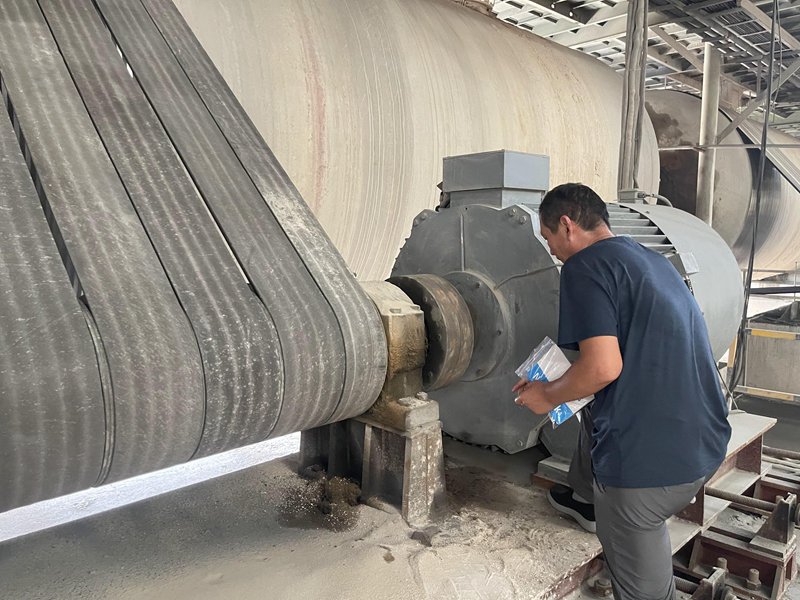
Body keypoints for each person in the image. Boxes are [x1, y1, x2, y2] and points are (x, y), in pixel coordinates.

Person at [512, 183, 731, 600]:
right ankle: (588, 499)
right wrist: (557, 380)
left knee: (642, 587)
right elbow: (628, 354)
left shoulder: (583, 267)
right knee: (593, 419)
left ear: (567, 225)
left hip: (647, 474)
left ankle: (612, 515)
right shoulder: (651, 259)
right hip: (705, 443)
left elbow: (602, 368)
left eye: (548, 238)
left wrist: (547, 396)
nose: (551, 251)